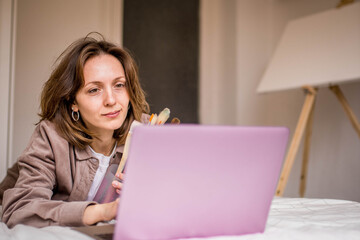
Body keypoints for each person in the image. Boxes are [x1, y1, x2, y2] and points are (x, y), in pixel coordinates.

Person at [0, 33, 150, 228]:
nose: (111, 100)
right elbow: (19, 211)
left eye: (119, 85)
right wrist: (105, 211)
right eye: (94, 90)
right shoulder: (51, 135)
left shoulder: (148, 132)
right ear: (73, 101)